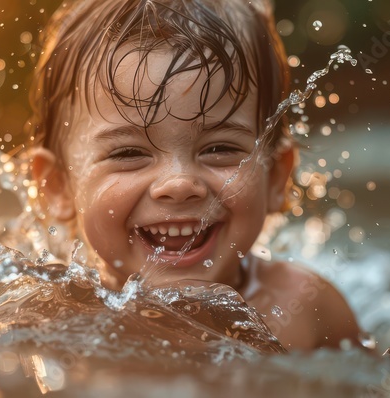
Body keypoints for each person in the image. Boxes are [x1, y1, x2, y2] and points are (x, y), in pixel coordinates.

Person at [24, 0, 363, 351]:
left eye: (220, 149)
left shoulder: (305, 307)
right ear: (58, 186)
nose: (180, 184)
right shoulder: (51, 327)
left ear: (276, 177)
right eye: (129, 153)